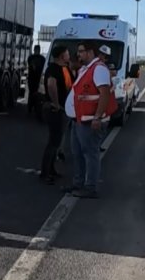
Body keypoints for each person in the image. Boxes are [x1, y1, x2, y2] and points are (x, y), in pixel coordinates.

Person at [64, 42, 116, 198]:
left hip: (89, 120)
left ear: (90, 52)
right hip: (79, 119)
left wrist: (97, 117)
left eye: (81, 51)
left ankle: (90, 187)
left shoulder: (98, 69)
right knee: (78, 153)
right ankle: (78, 183)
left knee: (90, 154)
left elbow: (104, 94)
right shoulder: (85, 69)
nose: (78, 54)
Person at [39, 44, 72, 183]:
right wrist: (56, 103)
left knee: (57, 142)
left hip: (63, 109)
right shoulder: (53, 69)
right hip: (54, 109)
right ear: (61, 56)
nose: (69, 55)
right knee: (53, 142)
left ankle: (51, 170)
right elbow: (52, 85)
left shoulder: (65, 68)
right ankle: (45, 173)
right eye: (67, 53)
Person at [26, 45, 46, 119]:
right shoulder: (41, 58)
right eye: (36, 50)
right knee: (34, 93)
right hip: (35, 78)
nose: (37, 51)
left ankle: (31, 107)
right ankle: (32, 107)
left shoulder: (32, 58)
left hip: (34, 78)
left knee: (34, 93)